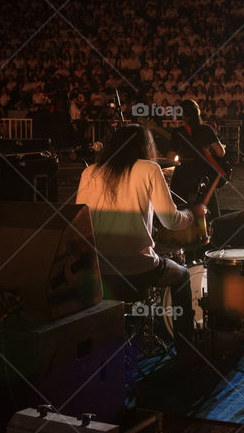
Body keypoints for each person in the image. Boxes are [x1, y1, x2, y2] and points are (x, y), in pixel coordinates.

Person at [76, 124, 205, 342]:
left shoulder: (89, 172)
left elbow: (79, 222)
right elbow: (171, 221)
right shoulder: (149, 169)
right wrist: (192, 214)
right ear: (146, 147)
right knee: (182, 275)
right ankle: (186, 348)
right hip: (138, 267)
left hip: (98, 269)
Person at [169, 100, 227, 213]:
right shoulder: (206, 129)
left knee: (179, 206)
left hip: (182, 174)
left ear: (183, 115)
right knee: (209, 206)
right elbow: (220, 152)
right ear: (198, 113)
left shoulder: (177, 132)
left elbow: (171, 157)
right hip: (203, 172)